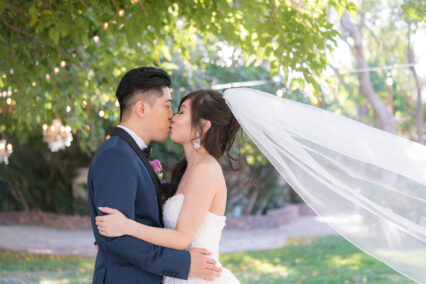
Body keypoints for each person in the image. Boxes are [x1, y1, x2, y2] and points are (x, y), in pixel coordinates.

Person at [88, 67, 222, 284]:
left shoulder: (129, 154)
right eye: (167, 106)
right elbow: (115, 237)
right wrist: (183, 263)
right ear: (141, 108)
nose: (171, 115)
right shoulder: (117, 155)